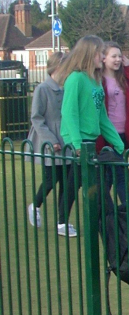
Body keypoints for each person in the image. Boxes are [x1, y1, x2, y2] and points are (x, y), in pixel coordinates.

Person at [54, 35, 125, 238]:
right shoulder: (75, 78)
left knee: (77, 182)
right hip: (78, 141)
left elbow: (102, 115)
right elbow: (69, 113)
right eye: (100, 53)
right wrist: (76, 143)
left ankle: (100, 222)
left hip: (90, 140)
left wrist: (118, 142)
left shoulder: (95, 80)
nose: (103, 57)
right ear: (89, 54)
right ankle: (64, 222)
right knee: (84, 183)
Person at [98, 41, 129, 204]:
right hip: (107, 134)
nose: (118, 60)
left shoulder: (123, 77)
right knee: (118, 175)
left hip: (123, 133)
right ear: (104, 58)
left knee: (114, 175)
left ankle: (107, 211)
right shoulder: (99, 79)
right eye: (114, 56)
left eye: (120, 56)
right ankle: (125, 210)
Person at [27, 52, 66, 230]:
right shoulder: (42, 88)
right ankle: (35, 205)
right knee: (51, 178)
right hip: (48, 138)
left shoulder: (66, 88)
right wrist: (50, 140)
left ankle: (62, 221)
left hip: (65, 138)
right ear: (57, 66)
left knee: (66, 181)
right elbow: (36, 118)